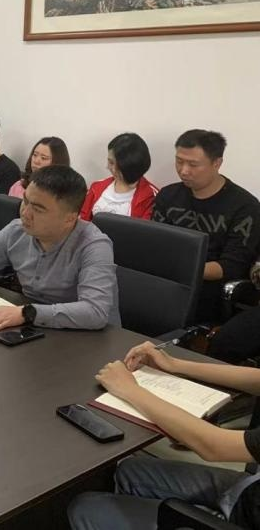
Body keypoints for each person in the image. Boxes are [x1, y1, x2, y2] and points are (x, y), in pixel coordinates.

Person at [67, 340, 260, 529]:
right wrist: (174, 365)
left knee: (84, 508)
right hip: (249, 489)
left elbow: (215, 446)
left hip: (246, 517)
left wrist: (128, 389)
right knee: (129, 470)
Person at [0, 165, 119, 330]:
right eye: (25, 201)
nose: (25, 213)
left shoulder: (94, 246)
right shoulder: (17, 230)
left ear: (69, 219)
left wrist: (28, 313)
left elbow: (95, 311)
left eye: (38, 209)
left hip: (89, 338)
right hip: (34, 326)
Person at [151, 130, 260, 362]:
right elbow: (155, 244)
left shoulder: (245, 207)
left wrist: (181, 270)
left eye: (193, 164)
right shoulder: (168, 196)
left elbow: (230, 267)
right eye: (179, 161)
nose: (184, 171)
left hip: (209, 287)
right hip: (164, 279)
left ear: (217, 163)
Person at [80, 133, 157, 220]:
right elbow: (82, 221)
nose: (109, 167)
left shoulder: (151, 196)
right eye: (109, 162)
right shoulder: (96, 187)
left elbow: (146, 228)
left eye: (113, 163)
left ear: (130, 166)